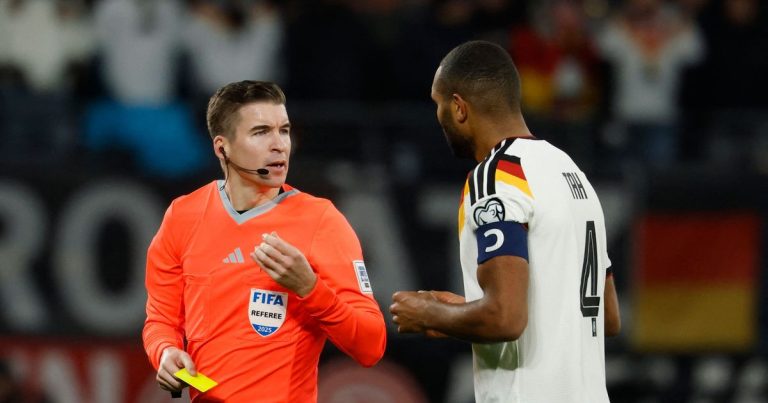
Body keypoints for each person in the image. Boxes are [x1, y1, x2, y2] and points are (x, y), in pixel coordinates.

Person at [390, 41, 620, 402]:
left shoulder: (496, 179)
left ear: (459, 108)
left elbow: (506, 318)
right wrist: (462, 312)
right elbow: (606, 317)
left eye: (439, 106)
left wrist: (431, 314)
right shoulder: (571, 173)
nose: (438, 118)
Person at [142, 80, 387, 402]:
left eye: (284, 130)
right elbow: (161, 320)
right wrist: (166, 352)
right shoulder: (183, 216)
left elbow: (371, 346)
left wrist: (310, 288)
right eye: (261, 132)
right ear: (222, 147)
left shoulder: (321, 221)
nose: (280, 145)